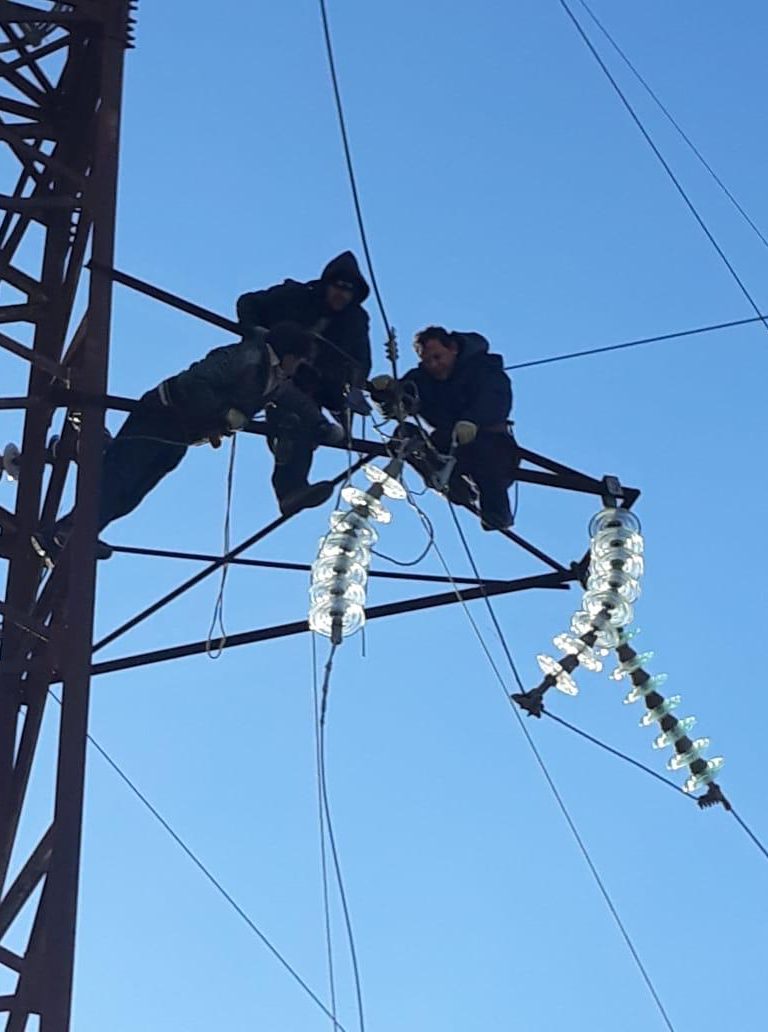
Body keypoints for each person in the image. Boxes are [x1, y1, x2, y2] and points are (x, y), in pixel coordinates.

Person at [32, 322, 335, 567]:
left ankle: (73, 532)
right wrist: (222, 413)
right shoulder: (246, 357)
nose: (301, 365)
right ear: (289, 353)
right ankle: (69, 531)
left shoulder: (274, 377)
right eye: (300, 358)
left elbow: (293, 400)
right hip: (161, 415)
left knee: (133, 491)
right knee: (120, 478)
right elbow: (194, 381)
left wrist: (320, 424)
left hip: (183, 431)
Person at [236, 252, 372, 507]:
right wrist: (256, 333)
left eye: (348, 290)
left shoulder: (355, 320)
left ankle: (293, 488)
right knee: (291, 422)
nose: (341, 294)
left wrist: (353, 391)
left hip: (316, 385)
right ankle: (290, 490)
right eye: (338, 286)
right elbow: (248, 303)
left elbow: (361, 362)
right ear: (327, 284)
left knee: (304, 426)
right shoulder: (296, 295)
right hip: (275, 371)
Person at [371, 325, 518, 530]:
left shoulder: (483, 368)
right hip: (446, 443)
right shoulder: (420, 379)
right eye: (427, 360)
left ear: (453, 349)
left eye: (437, 357)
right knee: (404, 436)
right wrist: (383, 394)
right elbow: (399, 407)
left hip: (489, 440)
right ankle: (450, 486)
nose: (433, 365)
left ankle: (496, 514)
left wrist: (473, 421)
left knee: (487, 460)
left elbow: (494, 398)